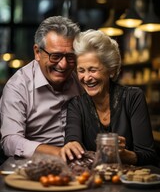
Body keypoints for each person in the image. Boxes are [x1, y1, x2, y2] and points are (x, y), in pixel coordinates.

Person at [60, 29, 158, 166]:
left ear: (111, 70)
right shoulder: (76, 105)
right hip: (92, 183)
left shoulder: (133, 97)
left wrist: (124, 154)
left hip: (128, 182)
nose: (87, 78)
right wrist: (71, 145)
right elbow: (72, 138)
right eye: (81, 71)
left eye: (93, 70)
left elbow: (149, 157)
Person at [0, 15, 84, 159]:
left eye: (70, 57)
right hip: (31, 164)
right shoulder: (18, 86)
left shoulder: (80, 80)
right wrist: (59, 152)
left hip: (78, 160)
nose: (63, 65)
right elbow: (10, 142)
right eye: (55, 56)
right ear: (37, 52)